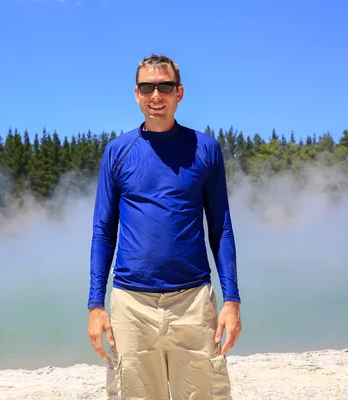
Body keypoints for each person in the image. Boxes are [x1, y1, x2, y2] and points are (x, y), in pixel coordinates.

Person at [87, 53, 241, 400]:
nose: (156, 96)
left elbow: (221, 229)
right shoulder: (118, 152)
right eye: (147, 88)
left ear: (179, 92)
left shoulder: (205, 149)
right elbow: (103, 231)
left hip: (193, 302)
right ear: (137, 94)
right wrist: (96, 304)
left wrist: (231, 300)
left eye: (165, 87)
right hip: (131, 306)